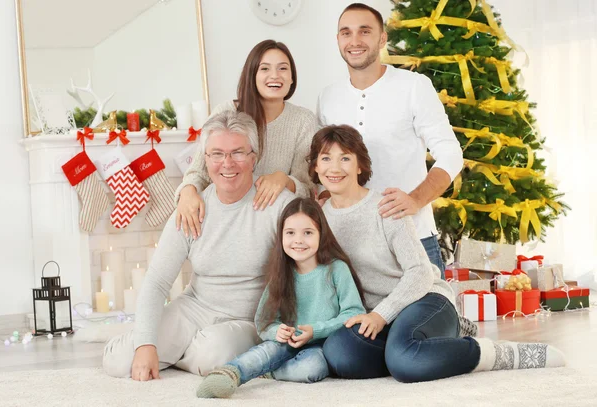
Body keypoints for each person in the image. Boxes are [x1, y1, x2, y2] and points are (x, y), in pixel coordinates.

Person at [307, 125, 565, 383]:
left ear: (360, 165)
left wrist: (379, 315)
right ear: (316, 167)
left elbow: (420, 273)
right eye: (326, 158)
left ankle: (492, 353)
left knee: (405, 361)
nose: (335, 168)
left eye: (345, 158)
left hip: (423, 298)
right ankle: (421, 349)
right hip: (379, 317)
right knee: (340, 353)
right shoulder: (317, 218)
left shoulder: (386, 206)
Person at [102, 110, 296, 380]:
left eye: (238, 153)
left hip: (249, 318)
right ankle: (174, 347)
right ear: (205, 160)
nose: (227, 163)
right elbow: (157, 281)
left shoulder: (278, 205)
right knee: (121, 361)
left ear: (254, 158)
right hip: (195, 309)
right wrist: (146, 343)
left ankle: (180, 352)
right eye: (217, 154)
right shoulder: (191, 207)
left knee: (213, 356)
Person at [317, 3, 464, 277]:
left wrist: (416, 200)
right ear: (338, 40)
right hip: (350, 245)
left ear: (382, 38)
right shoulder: (328, 97)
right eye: (346, 33)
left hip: (414, 236)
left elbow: (451, 154)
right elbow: (324, 166)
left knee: (428, 318)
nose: (355, 41)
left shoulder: (414, 86)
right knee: (365, 321)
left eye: (365, 31)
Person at [196, 197, 366, 398]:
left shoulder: (336, 269)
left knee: (311, 368)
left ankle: (269, 371)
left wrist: (315, 331)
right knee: (265, 352)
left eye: (308, 233)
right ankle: (230, 373)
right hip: (287, 341)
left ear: (322, 235)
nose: (298, 241)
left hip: (321, 345)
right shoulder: (281, 273)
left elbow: (355, 312)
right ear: (281, 236)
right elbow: (263, 322)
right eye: (290, 233)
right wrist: (278, 331)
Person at [176, 39, 317, 239]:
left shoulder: (304, 120)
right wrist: (188, 191)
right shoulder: (227, 111)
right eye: (265, 68)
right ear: (252, 75)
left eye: (283, 68)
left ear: (292, 78)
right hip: (225, 222)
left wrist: (284, 179)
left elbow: (307, 188)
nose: (275, 75)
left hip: (275, 227)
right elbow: (199, 171)